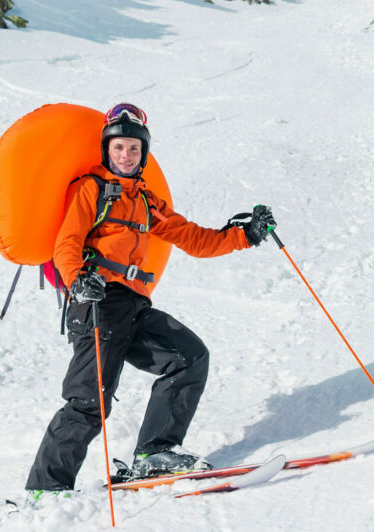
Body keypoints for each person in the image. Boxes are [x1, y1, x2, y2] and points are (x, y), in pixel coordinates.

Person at [25, 103, 276, 495]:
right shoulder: (91, 188)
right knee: (90, 402)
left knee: (188, 357)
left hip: (133, 306)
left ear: (143, 155)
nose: (126, 155)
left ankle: (154, 453)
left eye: (134, 149)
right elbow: (68, 242)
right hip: (95, 302)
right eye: (119, 147)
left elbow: (196, 238)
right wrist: (78, 280)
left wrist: (245, 235)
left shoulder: (146, 201)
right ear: (107, 150)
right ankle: (45, 490)